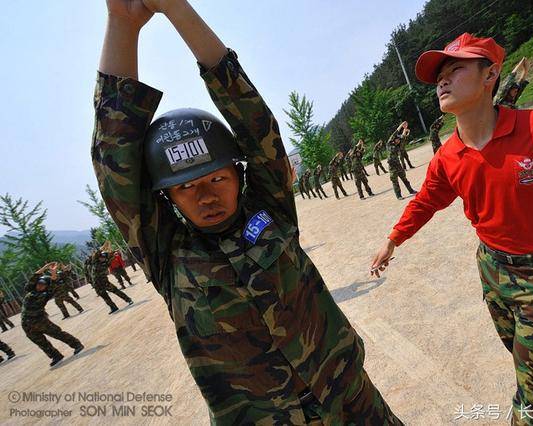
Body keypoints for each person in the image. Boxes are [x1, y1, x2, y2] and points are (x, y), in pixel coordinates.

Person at [92, 0, 401, 424]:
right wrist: (121, 21)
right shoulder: (168, 256)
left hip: (352, 400)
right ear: (166, 198)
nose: (205, 196)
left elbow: (255, 123)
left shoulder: (271, 209)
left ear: (239, 174)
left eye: (216, 179)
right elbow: (115, 160)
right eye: (185, 187)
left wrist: (178, 9)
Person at [370, 32, 533, 426]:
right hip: (492, 269)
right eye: (438, 76)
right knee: (524, 355)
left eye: (455, 69)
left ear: (490, 75)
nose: (442, 81)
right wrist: (393, 240)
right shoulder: (448, 157)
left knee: (531, 400)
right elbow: (425, 200)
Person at [22, 263, 84, 366]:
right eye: (39, 284)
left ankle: (77, 345)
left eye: (43, 285)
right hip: (26, 323)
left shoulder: (46, 293)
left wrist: (53, 273)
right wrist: (44, 267)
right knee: (40, 341)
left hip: (40, 320)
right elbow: (34, 277)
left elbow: (54, 282)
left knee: (57, 333)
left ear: (46, 286)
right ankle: (56, 356)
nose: (40, 286)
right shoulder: (31, 289)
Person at [89, 245, 134, 314]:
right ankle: (113, 307)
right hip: (96, 284)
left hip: (104, 282)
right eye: (101, 257)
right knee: (104, 297)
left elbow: (112, 256)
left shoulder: (107, 263)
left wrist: (112, 253)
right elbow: (96, 255)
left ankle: (128, 299)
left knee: (115, 291)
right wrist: (101, 249)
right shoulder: (95, 262)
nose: (102, 259)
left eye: (103, 258)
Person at [386, 122, 417, 200]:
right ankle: (398, 195)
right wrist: (401, 126)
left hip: (398, 165)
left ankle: (411, 190)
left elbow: (403, 137)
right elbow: (394, 133)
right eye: (397, 139)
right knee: (395, 181)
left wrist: (405, 129)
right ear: (394, 139)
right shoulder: (389, 144)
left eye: (399, 140)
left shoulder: (398, 146)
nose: (398, 141)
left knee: (404, 179)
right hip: (392, 166)